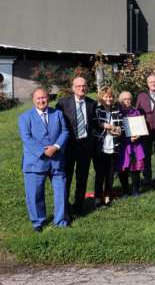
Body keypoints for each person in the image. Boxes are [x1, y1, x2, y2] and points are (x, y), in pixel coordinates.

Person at [19, 87, 69, 232]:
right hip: (35, 162)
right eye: (38, 98)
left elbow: (65, 132)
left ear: (48, 98)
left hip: (57, 160)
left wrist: (56, 146)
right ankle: (38, 222)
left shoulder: (58, 114)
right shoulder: (25, 117)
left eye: (44, 97)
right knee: (35, 194)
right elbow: (26, 138)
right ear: (33, 100)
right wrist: (43, 152)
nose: (42, 100)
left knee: (61, 192)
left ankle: (60, 220)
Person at [56, 76, 97, 215]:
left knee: (82, 177)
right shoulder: (63, 104)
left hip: (85, 146)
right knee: (66, 177)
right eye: (78, 86)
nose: (82, 88)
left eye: (84, 85)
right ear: (73, 88)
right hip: (69, 146)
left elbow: (94, 124)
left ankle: (79, 206)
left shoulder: (92, 103)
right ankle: (65, 207)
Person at [93, 87, 122, 207]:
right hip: (100, 145)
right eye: (106, 96)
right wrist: (106, 126)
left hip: (114, 145)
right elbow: (94, 124)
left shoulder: (116, 110)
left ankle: (107, 196)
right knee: (100, 173)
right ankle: (98, 198)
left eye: (110, 96)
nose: (108, 98)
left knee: (110, 174)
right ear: (101, 97)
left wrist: (118, 130)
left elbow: (121, 126)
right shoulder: (98, 110)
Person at [118, 91, 146, 196]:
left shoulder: (136, 112)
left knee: (136, 168)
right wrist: (128, 139)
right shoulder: (118, 114)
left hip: (136, 145)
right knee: (123, 168)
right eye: (124, 99)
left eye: (129, 99)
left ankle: (136, 190)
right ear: (120, 101)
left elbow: (142, 128)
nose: (127, 101)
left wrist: (139, 135)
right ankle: (125, 190)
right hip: (123, 145)